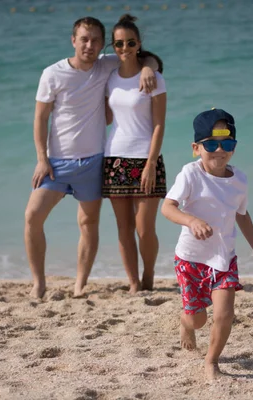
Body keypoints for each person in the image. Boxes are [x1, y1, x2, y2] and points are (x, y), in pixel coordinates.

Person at [25, 16, 160, 299]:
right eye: (84, 39)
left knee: (88, 225)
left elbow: (143, 56)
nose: (90, 45)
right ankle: (38, 282)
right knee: (32, 217)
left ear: (102, 44)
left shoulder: (106, 64)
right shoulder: (52, 74)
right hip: (57, 163)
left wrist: (150, 67)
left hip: (94, 162)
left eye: (96, 40)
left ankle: (79, 285)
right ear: (73, 41)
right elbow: (40, 118)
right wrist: (41, 158)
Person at [160, 108, 253, 381]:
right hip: (190, 259)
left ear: (234, 147)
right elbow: (168, 207)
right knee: (198, 320)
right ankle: (185, 324)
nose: (219, 150)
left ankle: (212, 362)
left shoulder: (239, 180)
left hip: (224, 258)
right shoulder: (190, 175)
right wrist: (190, 221)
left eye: (228, 143)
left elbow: (241, 214)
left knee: (224, 314)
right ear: (196, 148)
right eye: (211, 144)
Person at [103, 14, 167, 294]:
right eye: (118, 44)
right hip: (114, 159)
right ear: (113, 46)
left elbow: (159, 124)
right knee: (123, 228)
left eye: (130, 42)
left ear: (139, 44)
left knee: (144, 228)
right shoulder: (109, 76)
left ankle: (149, 274)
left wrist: (151, 163)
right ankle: (132, 282)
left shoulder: (154, 78)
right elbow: (106, 116)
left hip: (146, 158)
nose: (124, 48)